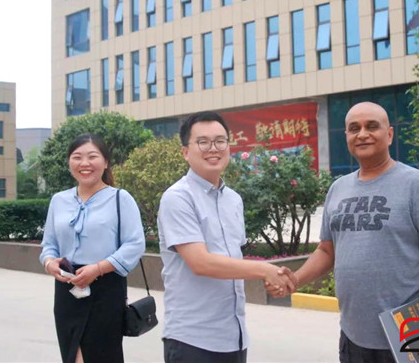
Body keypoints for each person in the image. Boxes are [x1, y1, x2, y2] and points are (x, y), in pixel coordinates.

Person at [278, 102, 419, 363]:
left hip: (411, 336)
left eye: (372, 126)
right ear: (347, 137)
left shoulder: (416, 184)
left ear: (390, 134)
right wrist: (294, 280)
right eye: (354, 128)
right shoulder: (338, 189)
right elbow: (327, 251)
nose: (362, 134)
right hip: (353, 338)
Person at [157, 111, 296, 363]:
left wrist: (270, 279)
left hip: (234, 337)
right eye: (203, 142)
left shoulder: (233, 200)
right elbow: (201, 262)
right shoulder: (177, 198)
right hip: (192, 339)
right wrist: (264, 270)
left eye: (220, 141)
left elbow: (232, 261)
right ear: (185, 152)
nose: (214, 149)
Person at [40, 134, 145, 363]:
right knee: (72, 355)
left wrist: (97, 268)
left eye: (92, 157)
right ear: (69, 162)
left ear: (105, 162)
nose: (84, 163)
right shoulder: (58, 200)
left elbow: (135, 244)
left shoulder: (120, 198)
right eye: (77, 157)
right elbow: (49, 244)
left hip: (105, 290)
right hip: (67, 290)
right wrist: (49, 263)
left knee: (102, 356)